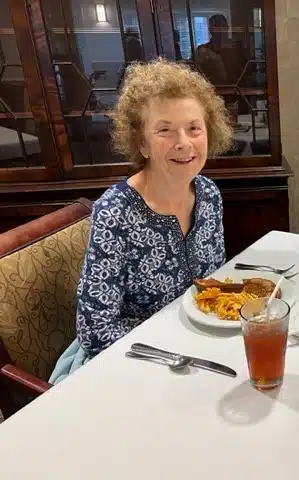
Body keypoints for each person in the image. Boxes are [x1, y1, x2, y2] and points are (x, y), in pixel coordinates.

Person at [49, 58, 233, 383]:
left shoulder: (209, 194)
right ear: (142, 143)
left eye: (194, 128)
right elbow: (96, 330)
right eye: (164, 130)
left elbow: (210, 287)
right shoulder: (115, 212)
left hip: (196, 352)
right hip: (132, 359)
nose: (183, 142)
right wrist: (176, 345)